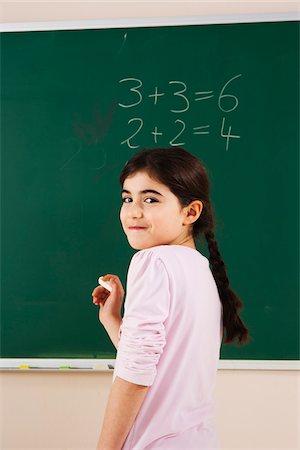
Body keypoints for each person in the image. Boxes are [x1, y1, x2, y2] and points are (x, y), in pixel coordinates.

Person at [92, 147, 250, 450]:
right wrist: (112, 320)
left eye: (150, 199)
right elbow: (157, 361)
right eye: (128, 198)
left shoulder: (153, 261)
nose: (134, 211)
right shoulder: (200, 268)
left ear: (190, 212)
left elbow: (135, 373)